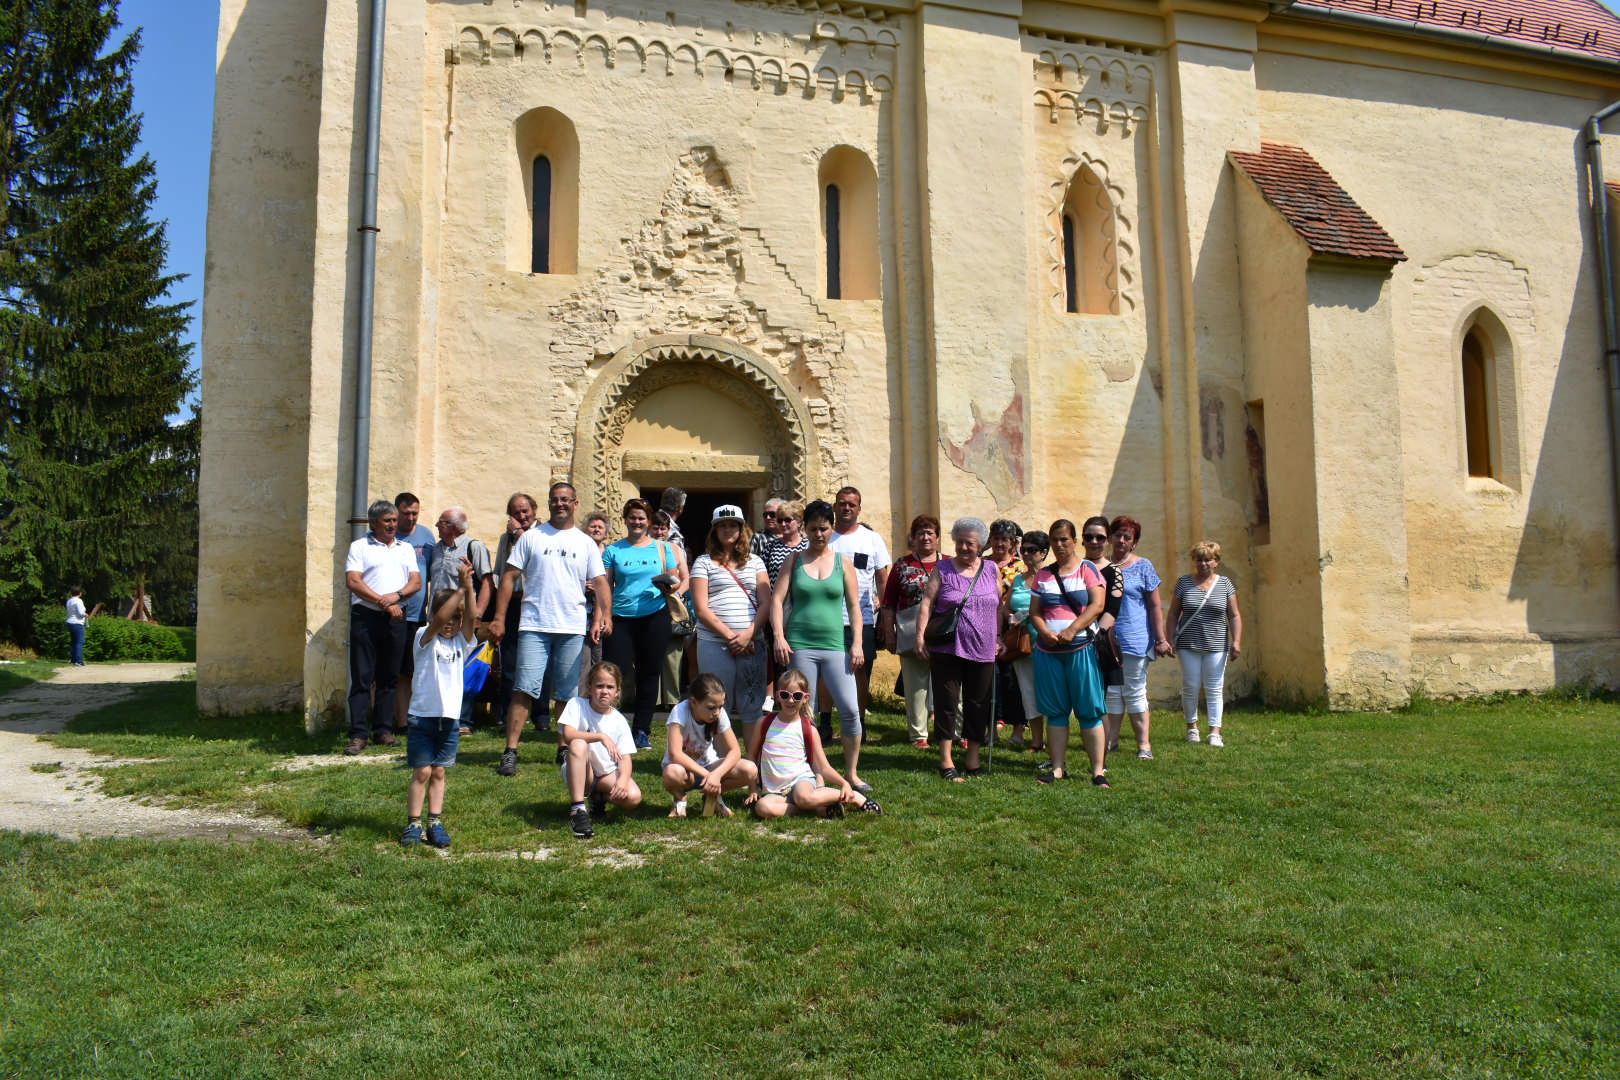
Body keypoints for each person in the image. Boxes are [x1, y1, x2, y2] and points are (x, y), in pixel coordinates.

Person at [488, 481, 609, 777]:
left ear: (575, 503)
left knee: (567, 693)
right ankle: (510, 751)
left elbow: (600, 582)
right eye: (555, 499)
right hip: (534, 624)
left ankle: (564, 748)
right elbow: (509, 577)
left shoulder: (585, 542)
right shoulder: (531, 537)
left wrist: (604, 615)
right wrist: (499, 618)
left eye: (565, 499)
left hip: (572, 626)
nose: (560, 504)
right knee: (523, 688)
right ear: (549, 503)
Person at [770, 499, 869, 792]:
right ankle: (815, 773)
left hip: (835, 645)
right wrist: (779, 636)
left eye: (823, 529)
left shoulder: (843, 562)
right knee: (805, 711)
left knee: (850, 709)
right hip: (800, 644)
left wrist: (857, 644)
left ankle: (851, 773)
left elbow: (854, 607)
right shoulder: (793, 560)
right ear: (805, 528)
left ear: (832, 528)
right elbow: (776, 600)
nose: (818, 534)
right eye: (812, 529)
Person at [914, 517, 1007, 781]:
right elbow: (927, 603)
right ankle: (946, 761)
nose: (964, 547)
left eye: (970, 543)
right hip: (948, 648)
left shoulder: (991, 569)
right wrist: (920, 637)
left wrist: (999, 637)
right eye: (960, 542)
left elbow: (999, 606)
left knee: (978, 704)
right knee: (946, 703)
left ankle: (973, 760)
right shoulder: (942, 568)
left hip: (984, 649)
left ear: (981, 546)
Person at [399, 557, 478, 848]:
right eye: (447, 618)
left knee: (439, 771)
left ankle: (434, 821)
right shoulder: (425, 636)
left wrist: (468, 588)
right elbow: (441, 619)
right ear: (433, 615)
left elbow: (471, 619)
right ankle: (413, 823)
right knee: (422, 771)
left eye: (457, 619)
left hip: (449, 719)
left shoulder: (461, 642)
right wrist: (460, 590)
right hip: (423, 717)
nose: (451, 624)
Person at [1027, 520, 1109, 785]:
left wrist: (1072, 629)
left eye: (1064, 539)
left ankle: (1097, 771)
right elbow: (1035, 612)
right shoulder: (1043, 575)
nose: (1059, 545)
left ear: (1074, 541)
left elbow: (1097, 606)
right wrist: (1044, 633)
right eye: (1054, 540)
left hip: (1081, 648)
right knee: (1055, 712)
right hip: (1048, 651)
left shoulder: (1087, 569)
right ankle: (1057, 768)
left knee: (1088, 710)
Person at [743, 669, 882, 819]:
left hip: (800, 782)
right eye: (785, 695)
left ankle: (855, 797)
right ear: (778, 695)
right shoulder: (764, 723)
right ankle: (812, 809)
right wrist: (752, 788)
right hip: (774, 791)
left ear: (805, 698)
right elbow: (751, 756)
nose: (790, 701)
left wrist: (844, 784)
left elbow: (824, 767)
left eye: (797, 696)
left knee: (803, 796)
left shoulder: (809, 729)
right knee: (762, 808)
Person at [602, 498, 683, 750]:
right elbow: (605, 586)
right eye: (632, 518)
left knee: (649, 673)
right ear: (625, 520)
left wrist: (668, 585)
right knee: (615, 672)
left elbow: (676, 580)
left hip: (654, 616)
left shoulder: (662, 548)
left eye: (641, 518)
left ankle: (641, 730)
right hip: (621, 618)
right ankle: (609, 727)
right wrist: (604, 616)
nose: (637, 522)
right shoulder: (613, 550)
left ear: (648, 521)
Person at [343, 499, 420, 755]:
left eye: (394, 520)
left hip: (396, 618)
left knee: (389, 676)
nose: (392, 525)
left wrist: (396, 597)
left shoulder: (405, 548)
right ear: (373, 523)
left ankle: (383, 731)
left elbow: (416, 582)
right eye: (387, 520)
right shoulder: (359, 546)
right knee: (362, 677)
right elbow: (353, 581)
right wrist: (382, 602)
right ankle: (358, 734)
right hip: (366, 617)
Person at [690, 505, 771, 745]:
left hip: (752, 643)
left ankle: (753, 761)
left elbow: (766, 602)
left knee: (752, 706)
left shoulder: (756, 562)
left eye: (733, 525)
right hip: (715, 643)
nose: (728, 530)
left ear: (741, 529)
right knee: (715, 706)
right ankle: (720, 760)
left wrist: (748, 635)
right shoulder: (703, 562)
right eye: (722, 525)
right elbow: (701, 608)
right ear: (714, 531)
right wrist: (731, 637)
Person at [1100, 515, 1172, 760]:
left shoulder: (1144, 566)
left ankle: (1144, 745)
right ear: (1110, 538)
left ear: (1134, 543)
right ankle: (1111, 741)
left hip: (1135, 639)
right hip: (1106, 640)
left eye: (1127, 537)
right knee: (1112, 691)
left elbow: (1154, 606)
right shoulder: (1100, 566)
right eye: (1117, 535)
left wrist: (1160, 639)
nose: (1121, 540)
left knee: (1134, 690)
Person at [825, 486, 890, 737]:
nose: (846, 508)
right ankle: (825, 724)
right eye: (842, 503)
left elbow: (882, 579)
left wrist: (885, 619)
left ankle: (858, 726)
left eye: (851, 504)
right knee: (825, 673)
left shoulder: (871, 539)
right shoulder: (824, 537)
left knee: (861, 672)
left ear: (859, 508)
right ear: (835, 506)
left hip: (861, 619)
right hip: (827, 617)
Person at [1166, 540, 1243, 747]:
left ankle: (1214, 732)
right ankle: (1191, 727)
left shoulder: (1225, 584)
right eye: (1199, 560)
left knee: (1214, 687)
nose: (1203, 564)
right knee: (1190, 685)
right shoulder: (1183, 583)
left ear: (1216, 562)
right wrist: (1170, 638)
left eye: (1208, 560)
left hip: (1217, 644)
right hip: (1188, 644)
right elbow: (1173, 613)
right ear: (1194, 561)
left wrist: (1236, 641)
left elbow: (1234, 615)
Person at [427, 506, 494, 734]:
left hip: (462, 620)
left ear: (454, 527)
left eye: (441, 522)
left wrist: (478, 615)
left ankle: (464, 721)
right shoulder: (436, 549)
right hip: (437, 621)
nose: (437, 525)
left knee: (462, 668)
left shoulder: (474, 547)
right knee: (440, 668)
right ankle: (441, 716)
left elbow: (487, 583)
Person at [558, 661, 642, 838]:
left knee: (633, 796)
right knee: (578, 743)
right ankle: (578, 811)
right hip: (581, 770)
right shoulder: (577, 704)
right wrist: (601, 736)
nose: (604, 691)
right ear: (589, 688)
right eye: (599, 686)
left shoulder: (619, 720)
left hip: (605, 774)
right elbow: (568, 735)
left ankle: (598, 798)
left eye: (610, 687)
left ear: (617, 691)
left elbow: (625, 758)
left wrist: (622, 781)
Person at [878, 514, 941, 749]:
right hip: (910, 632)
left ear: (937, 538)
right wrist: (889, 632)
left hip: (945, 633)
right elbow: (888, 603)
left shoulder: (949, 563)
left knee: (950, 685)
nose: (925, 537)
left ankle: (953, 732)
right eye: (920, 533)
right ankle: (919, 735)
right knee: (916, 686)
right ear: (913, 538)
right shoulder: (902, 565)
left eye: (930, 533)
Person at [660, 672, 760, 817]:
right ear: (693, 702)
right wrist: (709, 776)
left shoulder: (719, 713)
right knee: (672, 773)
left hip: (710, 766)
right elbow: (675, 754)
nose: (717, 712)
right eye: (711, 707)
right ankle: (679, 798)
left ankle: (711, 796)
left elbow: (735, 751)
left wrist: (717, 774)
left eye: (720, 706)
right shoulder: (680, 711)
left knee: (750, 770)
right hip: (685, 772)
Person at [392, 492, 439, 733]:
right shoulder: (388, 536)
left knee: (412, 670)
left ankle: (412, 719)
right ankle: (397, 721)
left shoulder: (426, 536)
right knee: (394, 670)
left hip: (418, 614)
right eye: (406, 513)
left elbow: (431, 572)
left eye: (415, 513)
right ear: (396, 512)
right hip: (393, 612)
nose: (411, 518)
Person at [490, 494, 537, 732]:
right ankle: (507, 713)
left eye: (525, 511)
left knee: (538, 662)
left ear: (534, 511)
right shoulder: (504, 538)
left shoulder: (541, 536)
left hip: (535, 604)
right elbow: (500, 571)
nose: (521, 516)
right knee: (509, 662)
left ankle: (541, 717)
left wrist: (519, 535)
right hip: (512, 604)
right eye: (516, 512)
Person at [1008, 530, 1049, 754]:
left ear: (1044, 552)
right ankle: (1036, 741)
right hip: (1023, 644)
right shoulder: (1017, 579)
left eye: (1031, 550)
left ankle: (1055, 739)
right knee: (1028, 692)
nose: (1025, 554)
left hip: (1048, 643)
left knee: (1050, 692)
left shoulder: (1052, 576)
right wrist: (1011, 617)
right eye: (1023, 550)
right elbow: (1006, 607)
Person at [987, 518, 1027, 743]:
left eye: (1005, 539)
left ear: (1013, 543)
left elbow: (1027, 598)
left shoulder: (1021, 567)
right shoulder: (981, 563)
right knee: (989, 681)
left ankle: (1018, 730)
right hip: (985, 629)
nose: (999, 543)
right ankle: (991, 729)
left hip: (1012, 630)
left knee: (1014, 681)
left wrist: (1015, 618)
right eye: (996, 538)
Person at [649, 510, 691, 712]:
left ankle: (672, 698)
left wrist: (676, 595)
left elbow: (686, 578)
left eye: (663, 528)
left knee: (673, 653)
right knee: (650, 651)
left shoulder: (675, 549)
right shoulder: (642, 548)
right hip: (649, 603)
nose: (659, 532)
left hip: (672, 604)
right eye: (655, 528)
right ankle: (654, 698)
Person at [579, 510, 611, 693]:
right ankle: (582, 697)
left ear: (606, 532)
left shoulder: (609, 553)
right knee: (583, 660)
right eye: (593, 526)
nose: (597, 529)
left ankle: (599, 697)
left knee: (599, 658)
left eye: (600, 527)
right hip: (583, 613)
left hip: (603, 614)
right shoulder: (580, 550)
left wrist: (600, 587)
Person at [64, 586, 87, 667]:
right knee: (79, 641)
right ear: (80, 593)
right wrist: (85, 614)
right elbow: (80, 613)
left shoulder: (69, 601)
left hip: (70, 621)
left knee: (73, 641)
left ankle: (73, 659)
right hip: (77, 622)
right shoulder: (78, 601)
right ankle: (79, 660)